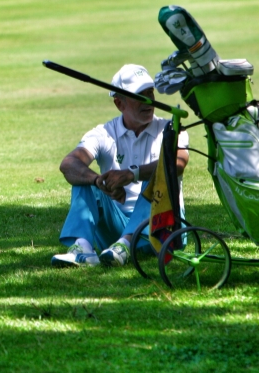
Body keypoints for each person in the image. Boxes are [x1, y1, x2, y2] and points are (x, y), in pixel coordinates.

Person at [51, 64, 189, 268]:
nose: (149, 101)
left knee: (160, 173)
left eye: (150, 93)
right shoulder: (104, 133)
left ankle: (126, 244)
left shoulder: (170, 128)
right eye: (139, 95)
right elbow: (69, 164)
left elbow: (178, 163)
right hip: (114, 230)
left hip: (162, 228)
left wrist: (132, 174)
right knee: (83, 179)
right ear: (119, 103)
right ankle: (83, 248)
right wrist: (98, 181)